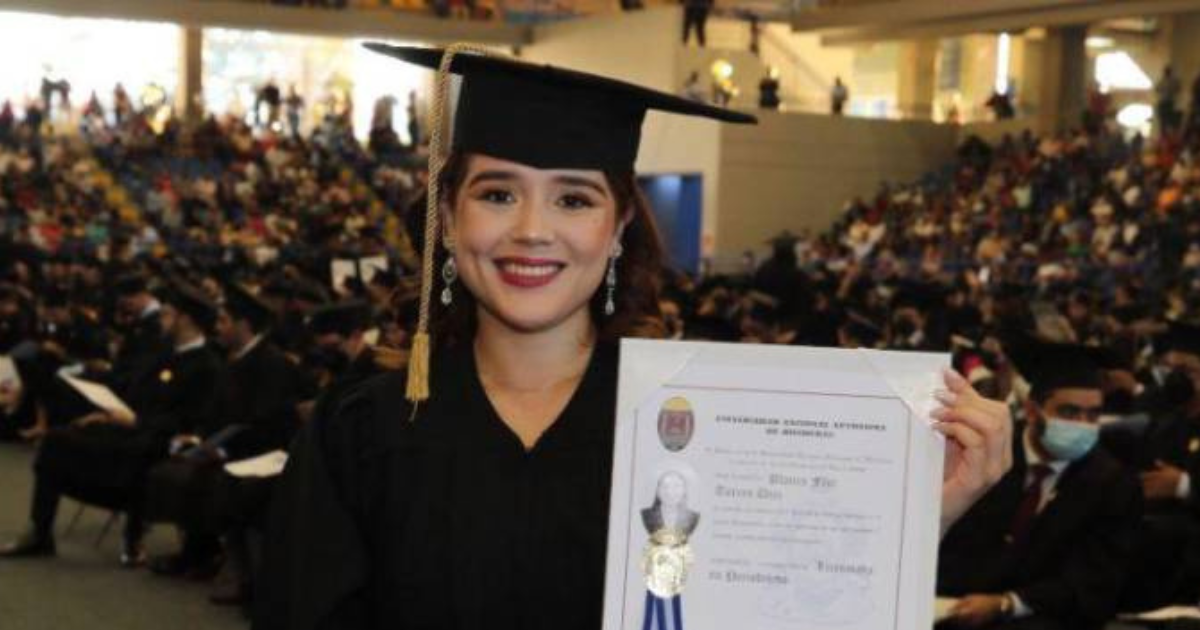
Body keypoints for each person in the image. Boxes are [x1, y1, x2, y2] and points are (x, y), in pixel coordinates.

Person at [254, 44, 1013, 630]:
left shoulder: (702, 427)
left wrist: (913, 517)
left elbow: (780, 611)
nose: (532, 230)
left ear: (618, 226)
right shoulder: (361, 432)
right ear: (448, 218)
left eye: (574, 200)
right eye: (497, 193)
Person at [0, 282, 225, 566]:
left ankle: (133, 535)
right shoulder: (164, 352)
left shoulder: (207, 365)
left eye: (167, 314)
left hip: (160, 439)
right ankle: (40, 531)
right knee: (57, 439)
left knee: (136, 455)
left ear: (186, 320)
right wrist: (108, 413)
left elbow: (191, 418)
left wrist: (137, 420)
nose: (161, 319)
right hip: (129, 427)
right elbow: (134, 390)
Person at [937, 338, 1142, 630]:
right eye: (1069, 412)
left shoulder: (1112, 484)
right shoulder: (987, 454)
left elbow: (1094, 582)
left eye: (1093, 415)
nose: (1083, 424)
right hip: (951, 604)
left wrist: (1007, 603)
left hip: (1041, 617)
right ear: (1032, 411)